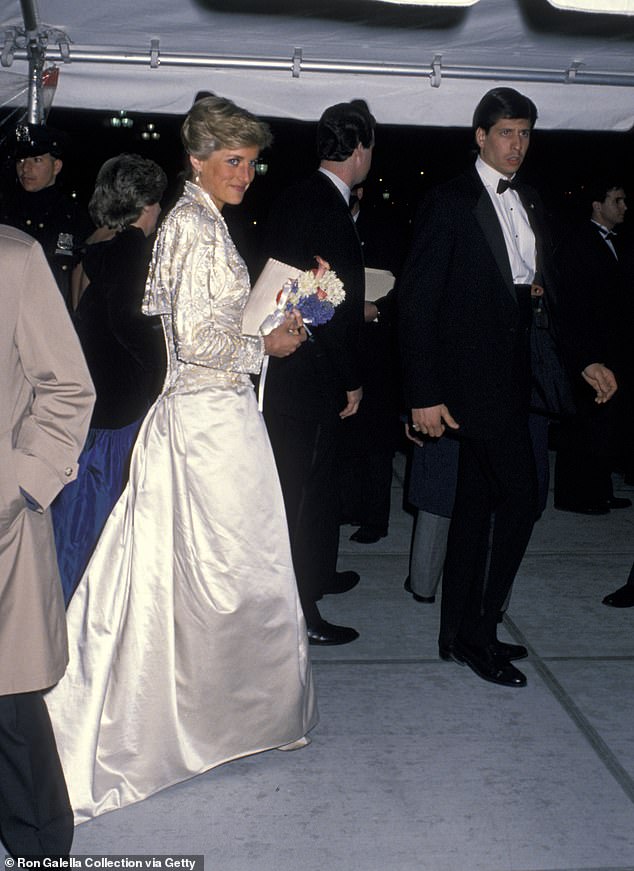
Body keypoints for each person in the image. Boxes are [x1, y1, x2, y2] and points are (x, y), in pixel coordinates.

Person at [45, 95, 317, 823]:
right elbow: (197, 344)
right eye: (233, 160)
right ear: (196, 159)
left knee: (204, 579)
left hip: (209, 415)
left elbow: (205, 325)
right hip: (205, 422)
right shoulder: (193, 226)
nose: (246, 173)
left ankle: (221, 718)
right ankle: (190, 723)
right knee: (228, 574)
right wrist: (269, 343)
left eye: (253, 161)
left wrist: (272, 318)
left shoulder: (198, 221)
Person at [398, 87, 616, 688]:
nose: (516, 145)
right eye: (505, 134)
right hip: (469, 383)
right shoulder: (450, 201)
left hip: (516, 375)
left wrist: (583, 360)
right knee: (521, 499)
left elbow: (545, 297)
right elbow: (417, 304)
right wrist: (424, 392)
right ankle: (481, 629)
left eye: (524, 134)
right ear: (480, 137)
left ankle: (457, 634)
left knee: (475, 507)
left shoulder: (531, 199)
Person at [262, 99, 375, 645]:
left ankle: (318, 575)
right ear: (359, 149)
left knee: (316, 486)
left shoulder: (299, 196)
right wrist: (350, 377)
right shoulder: (326, 207)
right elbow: (322, 306)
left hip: (299, 374)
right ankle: (299, 610)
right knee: (301, 497)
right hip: (309, 377)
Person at [0, 225, 95, 855]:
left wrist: (19, 485)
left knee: (10, 707)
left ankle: (38, 847)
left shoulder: (14, 259)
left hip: (0, 527)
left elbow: (67, 388)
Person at [51, 154, 168, 604]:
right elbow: (128, 322)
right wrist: (161, 368)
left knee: (81, 517)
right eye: (156, 202)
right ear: (144, 204)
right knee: (108, 519)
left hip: (96, 401)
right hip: (123, 407)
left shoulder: (93, 247)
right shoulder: (132, 249)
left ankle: (68, 607)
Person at [553, 179, 633, 514]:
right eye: (617, 200)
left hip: (615, 344)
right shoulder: (577, 242)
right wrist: (585, 352)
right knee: (583, 422)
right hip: (589, 346)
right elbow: (573, 300)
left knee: (607, 421)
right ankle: (576, 495)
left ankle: (600, 489)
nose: (624, 207)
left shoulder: (622, 243)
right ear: (597, 206)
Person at [0, 123, 92, 306]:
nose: (26, 169)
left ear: (56, 166)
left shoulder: (75, 218)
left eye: (36, 160)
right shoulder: (5, 213)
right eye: (20, 161)